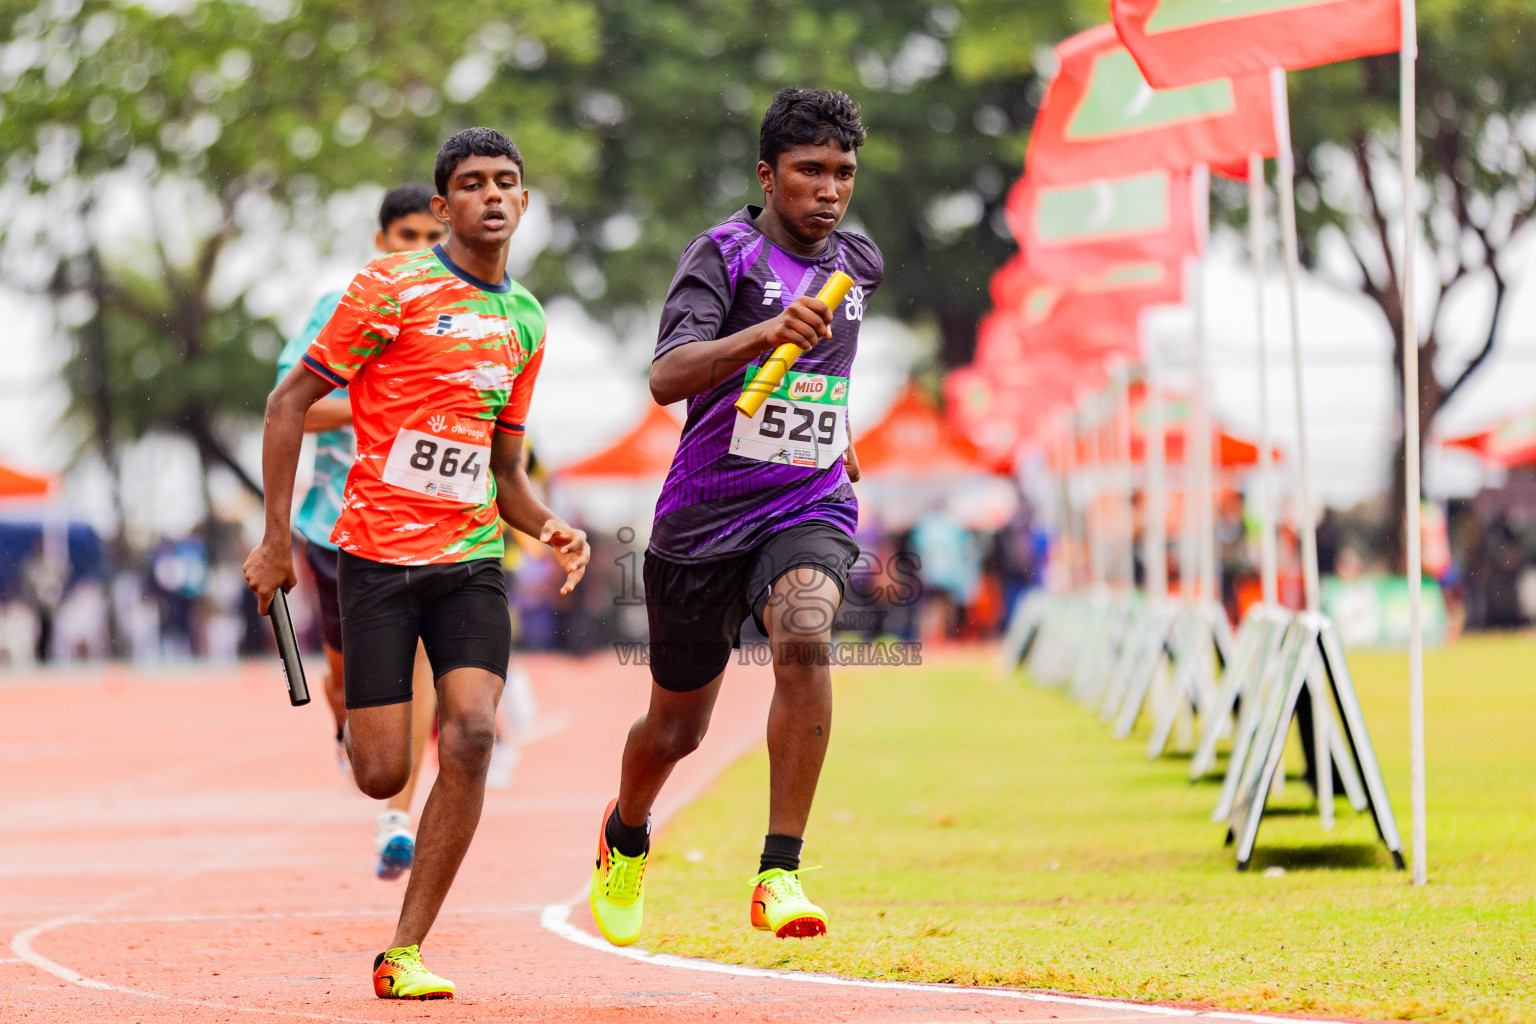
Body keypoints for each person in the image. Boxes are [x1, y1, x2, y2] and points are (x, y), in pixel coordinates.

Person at [244, 127, 589, 1000]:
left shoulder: (526, 319)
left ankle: (405, 949)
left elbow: (506, 472)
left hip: (469, 559)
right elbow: (288, 403)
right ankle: (364, 755)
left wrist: (550, 526)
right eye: (472, 183)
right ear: (443, 205)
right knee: (381, 774)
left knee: (471, 735)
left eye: (506, 182)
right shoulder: (389, 288)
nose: (492, 195)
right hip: (374, 558)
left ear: (524, 200)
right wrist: (276, 541)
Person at [589, 88, 880, 946]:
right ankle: (625, 833)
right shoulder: (722, 256)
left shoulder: (859, 261)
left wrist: (836, 427)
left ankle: (779, 872)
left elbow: (828, 367)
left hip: (808, 501)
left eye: (843, 173)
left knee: (806, 629)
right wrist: (762, 335)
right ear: (767, 174)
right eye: (809, 171)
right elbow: (667, 376)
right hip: (703, 520)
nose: (829, 189)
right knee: (677, 728)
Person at [275, 182, 447, 880]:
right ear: (382, 242)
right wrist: (375, 401)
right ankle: (348, 725)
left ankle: (396, 817)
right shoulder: (340, 307)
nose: (422, 249)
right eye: (408, 237)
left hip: (432, 523)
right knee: (349, 684)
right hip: (338, 529)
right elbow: (292, 406)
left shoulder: (468, 313)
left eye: (433, 238)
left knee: (420, 665)